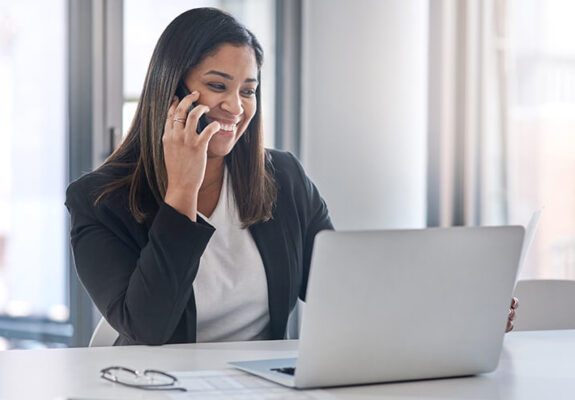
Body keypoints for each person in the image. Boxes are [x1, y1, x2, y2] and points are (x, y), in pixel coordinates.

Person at [66, 8, 517, 346]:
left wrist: (460, 312)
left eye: (248, 90)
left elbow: (346, 295)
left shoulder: (282, 178)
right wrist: (182, 190)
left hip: (264, 388)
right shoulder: (98, 201)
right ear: (172, 90)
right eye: (218, 86)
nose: (236, 107)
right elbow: (148, 328)